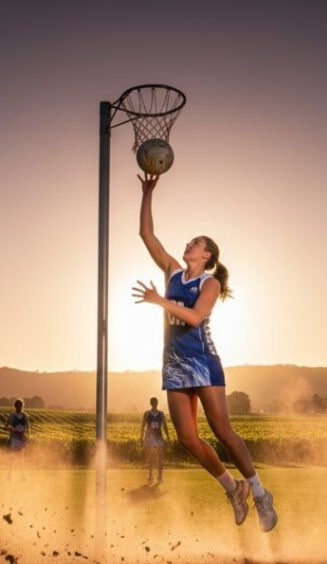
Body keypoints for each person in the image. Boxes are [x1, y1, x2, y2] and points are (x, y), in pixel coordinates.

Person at [132, 173, 277, 531]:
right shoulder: (173, 272)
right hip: (174, 365)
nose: (189, 244)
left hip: (203, 363)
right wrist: (148, 193)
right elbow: (147, 235)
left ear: (206, 254)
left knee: (223, 430)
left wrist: (159, 301)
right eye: (190, 241)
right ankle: (233, 489)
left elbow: (196, 318)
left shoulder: (208, 283)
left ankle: (260, 493)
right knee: (186, 438)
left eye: (195, 243)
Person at [140, 397, 171, 484]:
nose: (155, 403)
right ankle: (153, 476)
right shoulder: (147, 414)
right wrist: (141, 437)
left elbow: (165, 426)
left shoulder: (160, 414)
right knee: (152, 458)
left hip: (157, 437)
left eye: (155, 402)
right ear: (153, 403)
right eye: (154, 402)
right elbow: (143, 426)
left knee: (158, 458)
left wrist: (141, 437)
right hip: (151, 437)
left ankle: (157, 477)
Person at [5, 399, 30, 480]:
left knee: (21, 458)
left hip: (22, 439)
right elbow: (5, 426)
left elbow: (27, 429)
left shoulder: (25, 416)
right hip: (14, 439)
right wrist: (11, 429)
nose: (21, 407)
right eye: (19, 406)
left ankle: (22, 476)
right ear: (15, 406)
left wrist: (26, 437)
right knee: (12, 457)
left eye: (22, 406)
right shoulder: (11, 416)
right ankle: (9, 475)